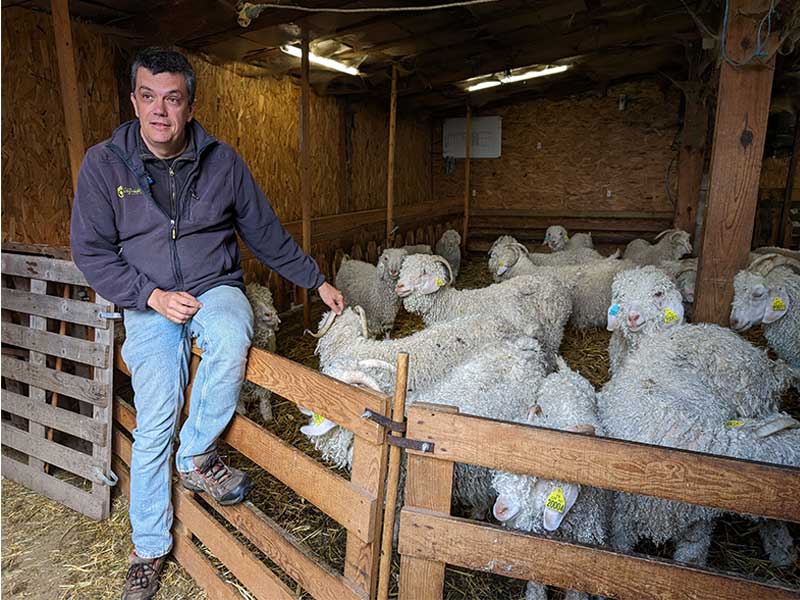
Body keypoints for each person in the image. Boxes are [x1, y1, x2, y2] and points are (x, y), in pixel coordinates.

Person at [70, 47, 344, 600]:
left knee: (230, 333)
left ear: (190, 106)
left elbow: (265, 232)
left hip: (213, 284)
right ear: (134, 100)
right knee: (154, 417)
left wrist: (316, 280)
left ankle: (197, 452)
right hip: (146, 298)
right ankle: (148, 549)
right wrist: (148, 295)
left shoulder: (223, 161)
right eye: (148, 98)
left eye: (172, 100)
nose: (160, 112)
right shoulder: (105, 165)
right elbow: (91, 252)